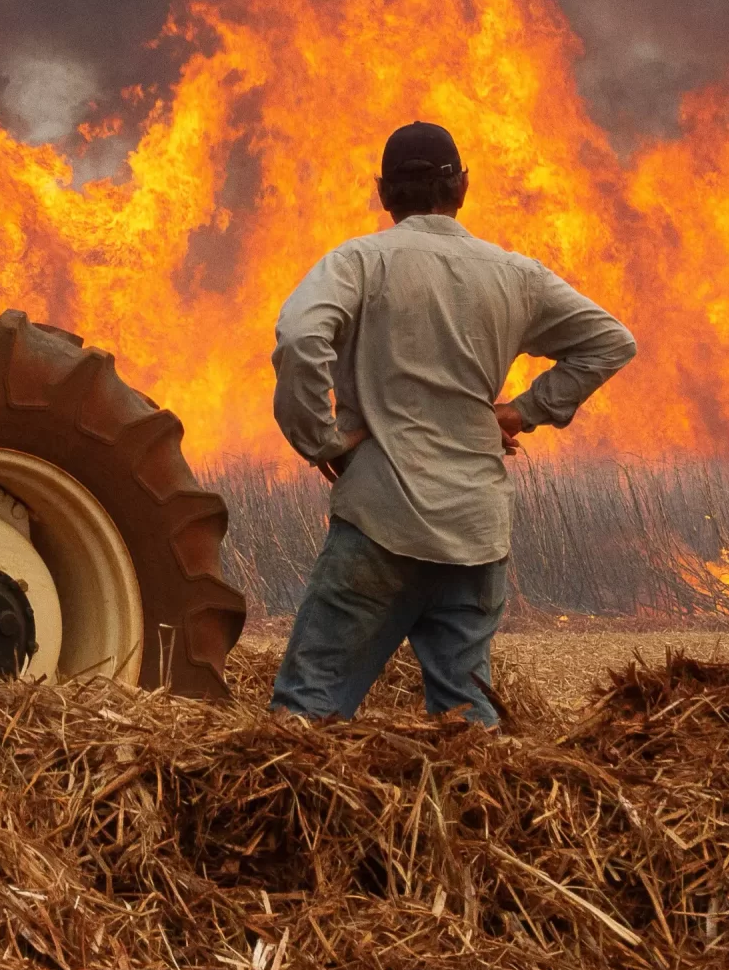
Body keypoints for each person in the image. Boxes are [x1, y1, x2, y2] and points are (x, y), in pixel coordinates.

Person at [268, 121, 637, 725]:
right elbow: (610, 342)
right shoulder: (515, 275)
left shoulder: (359, 263)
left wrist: (321, 441)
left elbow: (302, 335)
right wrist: (524, 410)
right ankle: (479, 821)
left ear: (385, 193)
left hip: (381, 522)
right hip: (475, 533)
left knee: (306, 714)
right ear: (462, 187)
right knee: (468, 730)